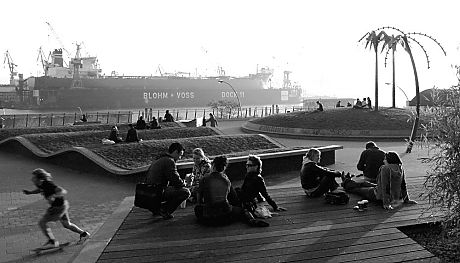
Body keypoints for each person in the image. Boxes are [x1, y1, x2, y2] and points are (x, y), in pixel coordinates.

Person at [23, 168, 90, 249]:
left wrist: (54, 196)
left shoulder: (48, 184)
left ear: (39, 178)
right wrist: (30, 192)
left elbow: (62, 191)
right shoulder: (41, 184)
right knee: (67, 224)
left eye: (34, 177)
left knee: (42, 223)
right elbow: (40, 190)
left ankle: (52, 241)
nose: (32, 179)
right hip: (63, 205)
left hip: (57, 208)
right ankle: (84, 234)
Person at [195, 156, 270, 227]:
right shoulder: (226, 180)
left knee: (197, 208)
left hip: (209, 218)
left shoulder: (204, 179)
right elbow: (234, 199)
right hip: (226, 215)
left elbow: (199, 199)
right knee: (242, 210)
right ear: (224, 168)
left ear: (213, 165)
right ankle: (252, 220)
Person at [342, 151, 418, 210]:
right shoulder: (400, 168)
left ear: (388, 160)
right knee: (365, 183)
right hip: (393, 195)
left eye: (385, 159)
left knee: (358, 189)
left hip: (378, 195)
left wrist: (386, 203)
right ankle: (348, 179)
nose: (383, 160)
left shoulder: (385, 168)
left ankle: (345, 182)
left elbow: (385, 186)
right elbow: (403, 184)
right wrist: (406, 199)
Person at [145, 142, 190, 219]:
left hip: (149, 191)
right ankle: (164, 210)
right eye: (180, 155)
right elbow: (175, 179)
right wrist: (184, 184)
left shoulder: (160, 159)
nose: (180, 158)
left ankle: (156, 208)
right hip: (157, 191)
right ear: (176, 152)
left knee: (172, 189)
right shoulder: (169, 161)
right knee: (185, 192)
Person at [238, 155, 286, 225]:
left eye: (249, 165)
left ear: (256, 166)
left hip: (247, 201)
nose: (247, 167)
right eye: (247, 165)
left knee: (243, 209)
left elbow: (265, 194)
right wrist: (259, 198)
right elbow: (245, 188)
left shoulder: (258, 179)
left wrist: (275, 206)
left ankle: (252, 220)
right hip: (243, 196)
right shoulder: (248, 175)